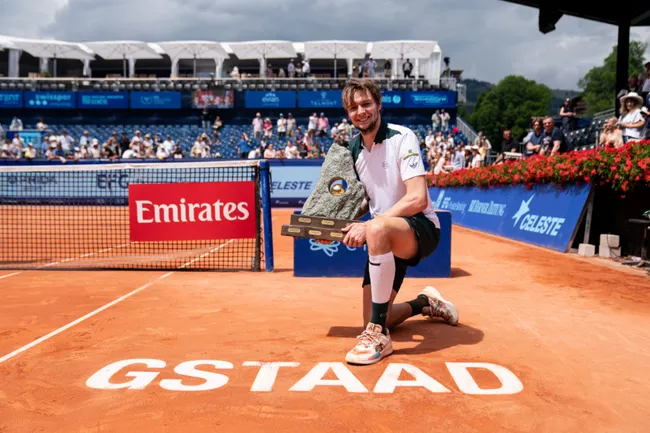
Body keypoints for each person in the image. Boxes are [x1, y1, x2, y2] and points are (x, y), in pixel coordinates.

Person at [335, 79, 459, 366]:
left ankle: (379, 338)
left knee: (376, 226)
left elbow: (417, 198)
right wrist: (332, 228)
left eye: (366, 104)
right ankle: (425, 303)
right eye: (353, 107)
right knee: (378, 314)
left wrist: (370, 225)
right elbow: (364, 201)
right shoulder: (352, 150)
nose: (360, 111)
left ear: (378, 104)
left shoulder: (403, 137)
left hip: (419, 228)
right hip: (384, 235)